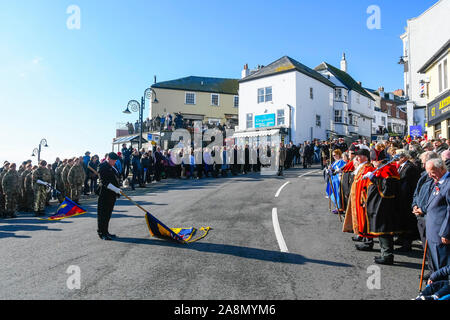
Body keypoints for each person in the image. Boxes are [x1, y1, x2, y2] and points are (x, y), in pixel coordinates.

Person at [423, 158, 450, 272]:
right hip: (433, 232)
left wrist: (446, 232)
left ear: (441, 169)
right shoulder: (438, 182)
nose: (429, 176)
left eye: (432, 172)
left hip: (441, 234)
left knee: (442, 267)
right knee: (436, 266)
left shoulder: (448, 184)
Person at [395, 149, 421, 252]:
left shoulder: (410, 168)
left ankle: (407, 244)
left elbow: (407, 185)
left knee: (408, 221)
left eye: (399, 157)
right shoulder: (403, 167)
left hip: (407, 198)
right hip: (402, 198)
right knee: (402, 220)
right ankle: (401, 238)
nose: (397, 159)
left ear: (404, 157)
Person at [97, 152, 121, 240]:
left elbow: (116, 178)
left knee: (108, 214)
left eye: (115, 161)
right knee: (102, 214)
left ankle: (106, 231)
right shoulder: (102, 166)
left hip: (112, 195)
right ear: (109, 159)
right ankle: (101, 233)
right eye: (113, 160)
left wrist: (118, 189)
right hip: (105, 194)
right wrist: (115, 189)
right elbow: (104, 182)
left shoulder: (113, 167)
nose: (114, 162)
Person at [325, 149, 346, 214]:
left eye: (335, 155)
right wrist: (329, 169)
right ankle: (337, 206)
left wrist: (334, 170)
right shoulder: (334, 162)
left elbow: (341, 169)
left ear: (338, 154)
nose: (334, 156)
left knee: (337, 194)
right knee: (333, 193)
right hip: (333, 179)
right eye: (333, 155)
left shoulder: (341, 162)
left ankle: (340, 207)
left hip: (337, 180)